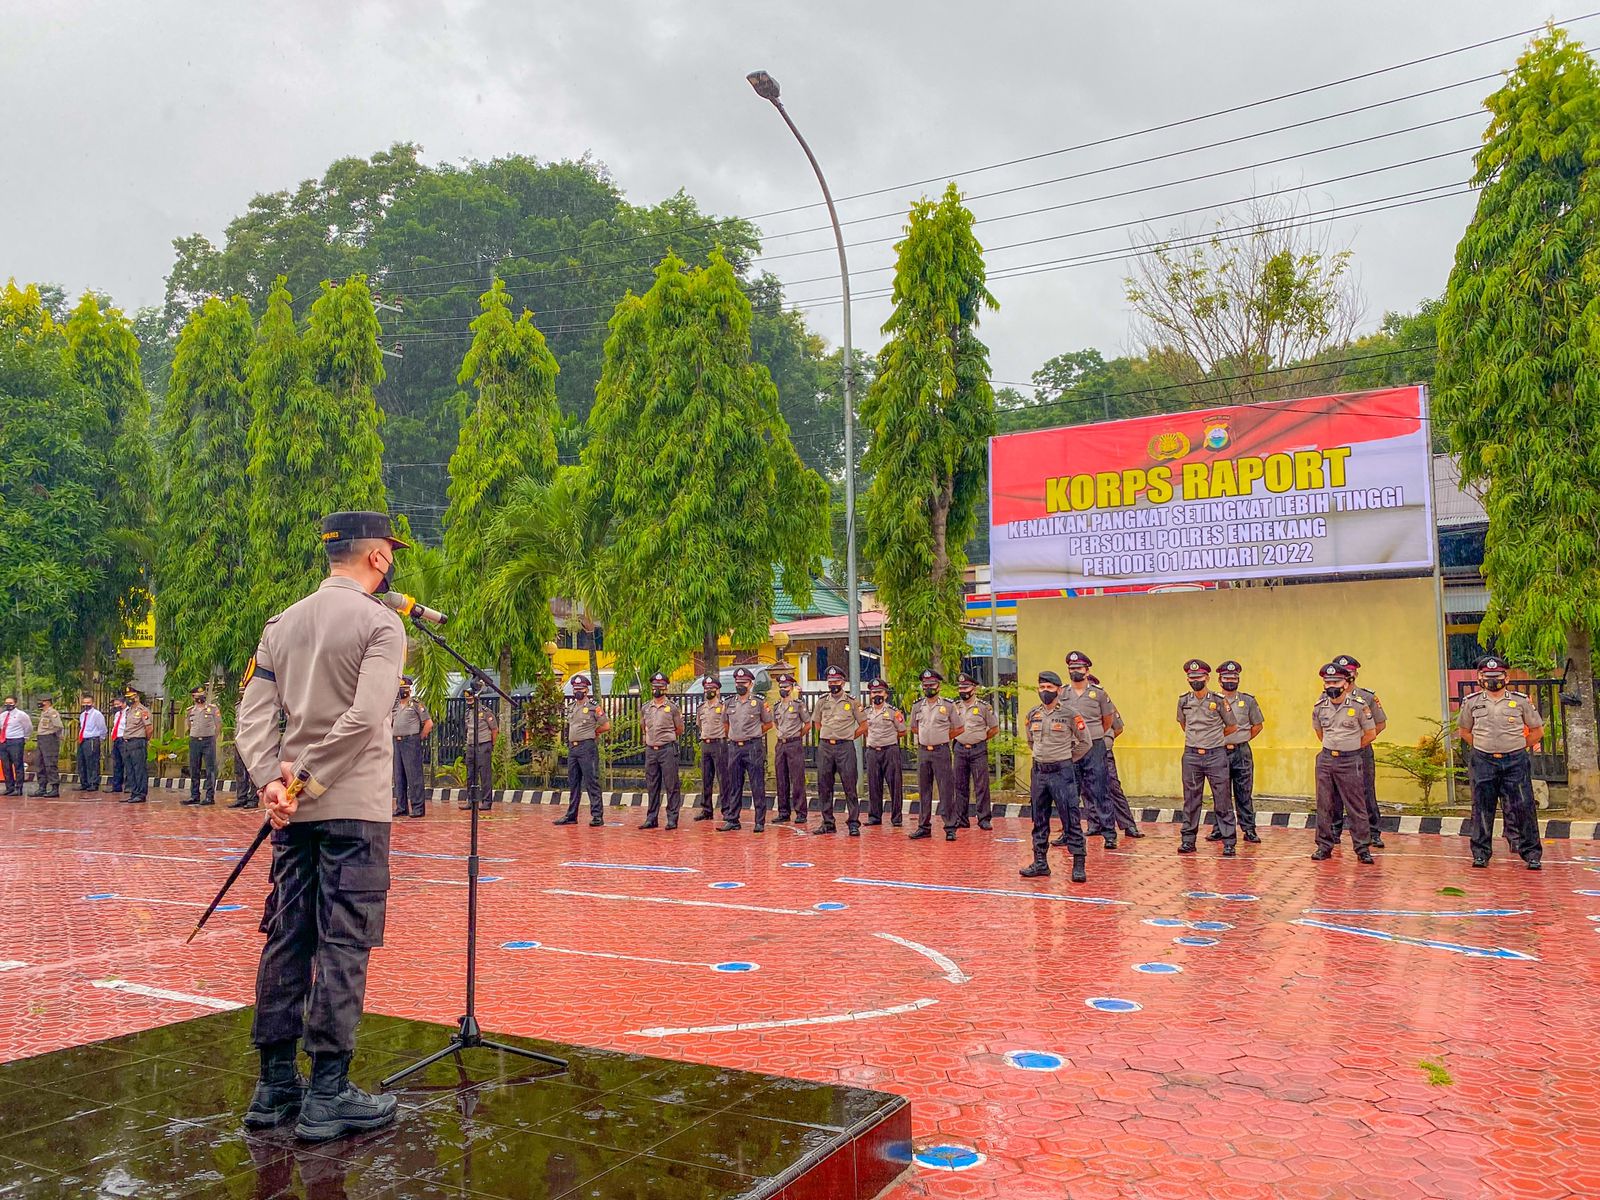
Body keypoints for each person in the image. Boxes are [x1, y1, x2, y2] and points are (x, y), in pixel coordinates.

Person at [235, 509, 409, 1142]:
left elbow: (252, 717)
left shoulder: (280, 625)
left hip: (294, 810)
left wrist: (273, 783)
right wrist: (304, 781)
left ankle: (275, 1085)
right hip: (353, 807)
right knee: (344, 940)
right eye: (393, 550)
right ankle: (329, 1092)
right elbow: (365, 720)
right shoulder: (381, 624)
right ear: (379, 558)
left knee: (287, 935)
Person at [1458, 654, 1544, 870]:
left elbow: (1537, 731)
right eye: (1488, 676)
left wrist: (1515, 746)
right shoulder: (1472, 702)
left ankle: (1531, 854)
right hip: (1484, 760)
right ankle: (1480, 853)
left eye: (1497, 676)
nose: (1492, 680)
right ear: (1480, 677)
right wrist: (1483, 746)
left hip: (1515, 761)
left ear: (1506, 678)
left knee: (1523, 806)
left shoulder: (1521, 701)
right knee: (1482, 807)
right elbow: (1464, 731)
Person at [1020, 670, 1092, 881]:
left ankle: (1078, 863)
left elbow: (1085, 742)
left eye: (1049, 688)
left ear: (1059, 690)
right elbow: (1031, 742)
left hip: (1062, 773)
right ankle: (1040, 862)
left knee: (1070, 818)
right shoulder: (1032, 714)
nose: (1045, 692)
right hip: (1040, 773)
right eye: (1042, 688)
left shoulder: (1070, 714)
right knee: (1039, 818)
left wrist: (1067, 759)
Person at [1311, 662, 1376, 864]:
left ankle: (1362, 848)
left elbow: (1370, 734)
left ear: (1346, 683)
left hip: (1351, 760)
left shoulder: (1359, 706)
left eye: (1336, 681)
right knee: (1324, 804)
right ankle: (1324, 846)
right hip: (1327, 759)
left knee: (1356, 805)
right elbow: (1320, 733)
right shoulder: (1319, 707)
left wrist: (1352, 747)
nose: (1331, 685)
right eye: (1327, 682)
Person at [1176, 659, 1238, 855]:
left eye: (1199, 677)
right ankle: (1188, 840)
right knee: (1191, 800)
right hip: (1192, 755)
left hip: (1215, 755)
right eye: (1192, 677)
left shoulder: (1219, 700)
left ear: (1207, 678)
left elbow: (1232, 726)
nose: (1195, 680)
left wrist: (1213, 739)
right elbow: (1183, 724)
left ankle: (1228, 841)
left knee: (1222, 799)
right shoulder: (1184, 700)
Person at [1061, 651, 1118, 849]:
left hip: (1094, 746)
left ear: (1087, 670)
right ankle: (1069, 832)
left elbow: (1108, 720)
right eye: (1071, 668)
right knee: (1069, 792)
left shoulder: (1099, 693)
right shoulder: (1062, 694)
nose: (1074, 671)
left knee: (1100, 789)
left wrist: (1093, 736)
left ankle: (1109, 833)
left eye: (1078, 668)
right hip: (1071, 748)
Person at [1330, 653, 1387, 848]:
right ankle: (1334, 831)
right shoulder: (1327, 697)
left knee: (1366, 791)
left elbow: (1380, 724)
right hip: (1336, 754)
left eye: (1350, 671)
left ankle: (1373, 832)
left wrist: (1358, 743)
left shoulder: (1367, 697)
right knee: (1334, 793)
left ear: (1355, 673)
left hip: (1361, 752)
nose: (1347, 674)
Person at [1080, 675, 1143, 840]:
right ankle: (1094, 824)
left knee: (1112, 787)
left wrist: (1105, 739)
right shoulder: (1074, 705)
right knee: (1086, 789)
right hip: (1082, 752)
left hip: (1102, 752)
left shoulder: (1105, 705)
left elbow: (1118, 727)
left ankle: (1128, 825)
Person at [1209, 660, 1265, 844]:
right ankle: (1219, 828)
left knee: (1243, 792)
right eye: (1226, 678)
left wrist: (1242, 739)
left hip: (1241, 752)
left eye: (1234, 677)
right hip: (1218, 751)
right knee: (1220, 793)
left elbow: (1257, 726)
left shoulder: (1247, 701)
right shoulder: (1213, 701)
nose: (1230, 681)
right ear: (1219, 680)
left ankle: (1249, 829)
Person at [909, 668, 964, 842]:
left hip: (941, 751)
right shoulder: (917, 706)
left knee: (946, 790)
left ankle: (949, 827)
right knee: (924, 790)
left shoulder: (948, 706)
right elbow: (913, 727)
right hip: (924, 751)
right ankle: (923, 826)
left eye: (931, 685)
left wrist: (943, 738)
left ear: (938, 686)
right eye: (925, 685)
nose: (928, 688)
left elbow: (959, 728)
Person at [812, 665, 865, 835]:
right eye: (830, 681)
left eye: (836, 681)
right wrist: (828, 735)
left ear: (843, 682)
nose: (833, 684)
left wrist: (849, 735)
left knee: (849, 785)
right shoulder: (822, 701)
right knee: (824, 785)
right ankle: (828, 822)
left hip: (845, 747)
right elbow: (817, 723)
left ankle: (853, 823)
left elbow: (864, 725)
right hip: (826, 747)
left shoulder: (852, 701)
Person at [719, 666, 773, 832]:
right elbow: (725, 724)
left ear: (750, 684)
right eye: (737, 682)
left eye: (743, 682)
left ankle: (759, 821)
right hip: (735, 747)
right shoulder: (728, 703)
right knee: (734, 784)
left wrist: (754, 734)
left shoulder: (759, 702)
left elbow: (768, 723)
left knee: (757, 784)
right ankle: (732, 819)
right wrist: (735, 736)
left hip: (753, 747)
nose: (740, 685)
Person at [555, 674, 609, 827]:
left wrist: (595, 732)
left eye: (580, 689)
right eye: (575, 688)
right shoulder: (571, 707)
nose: (577, 691)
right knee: (573, 783)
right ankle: (571, 815)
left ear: (586, 690)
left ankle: (597, 816)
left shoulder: (593, 707)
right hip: (573, 748)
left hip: (587, 748)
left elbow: (606, 725)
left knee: (591, 781)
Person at [952, 673, 999, 831]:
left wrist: (980, 738)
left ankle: (984, 818)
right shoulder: (954, 706)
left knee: (981, 786)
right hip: (959, 748)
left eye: (966, 687)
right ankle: (961, 818)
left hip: (978, 749)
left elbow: (994, 729)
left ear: (974, 689)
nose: (963, 690)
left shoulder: (984, 707)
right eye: (960, 688)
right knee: (959, 785)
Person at [640, 672, 685, 830]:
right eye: (654, 687)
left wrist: (667, 738)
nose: (656, 689)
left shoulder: (672, 708)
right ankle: (651, 818)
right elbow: (643, 726)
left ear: (665, 688)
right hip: (651, 750)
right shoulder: (646, 707)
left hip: (667, 750)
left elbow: (679, 728)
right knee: (652, 785)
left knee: (671, 785)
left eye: (660, 687)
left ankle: (672, 818)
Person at [769, 672, 811, 825]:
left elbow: (808, 724)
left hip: (794, 744)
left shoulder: (798, 705)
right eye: (781, 686)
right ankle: (783, 812)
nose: (783, 689)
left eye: (786, 686)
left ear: (792, 687)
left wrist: (797, 735)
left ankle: (801, 812)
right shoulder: (777, 707)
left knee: (797, 779)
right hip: (781, 744)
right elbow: (775, 723)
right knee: (781, 779)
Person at [864, 678, 906, 827]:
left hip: (890, 751)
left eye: (879, 692)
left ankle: (896, 818)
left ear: (886, 694)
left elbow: (902, 731)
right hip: (872, 751)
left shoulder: (893, 712)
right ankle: (874, 816)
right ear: (870, 694)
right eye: (874, 692)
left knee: (894, 785)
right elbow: (864, 730)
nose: (877, 695)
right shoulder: (866, 712)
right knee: (873, 785)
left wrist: (889, 739)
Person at [390, 677, 433, 818]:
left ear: (409, 689)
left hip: (411, 741)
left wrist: (418, 737)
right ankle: (401, 807)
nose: (402, 691)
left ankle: (418, 808)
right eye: (400, 688)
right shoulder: (395, 706)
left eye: (405, 688)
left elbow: (428, 723)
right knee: (398, 776)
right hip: (397, 742)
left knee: (414, 776)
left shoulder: (415, 704)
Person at [693, 675, 728, 822]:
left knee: (723, 778)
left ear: (718, 690)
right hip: (705, 743)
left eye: (712, 688)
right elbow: (699, 725)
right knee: (706, 778)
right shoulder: (701, 708)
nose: (709, 691)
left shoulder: (723, 707)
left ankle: (727, 810)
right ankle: (706, 809)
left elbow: (727, 726)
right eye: (706, 689)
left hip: (719, 744)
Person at [182, 686, 222, 807]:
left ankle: (210, 796)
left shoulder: (213, 709)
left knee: (210, 769)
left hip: (208, 741)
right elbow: (189, 725)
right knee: (194, 769)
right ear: (193, 697)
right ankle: (194, 795)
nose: (200, 698)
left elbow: (218, 724)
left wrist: (213, 737)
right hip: (194, 741)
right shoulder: (190, 710)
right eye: (197, 696)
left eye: (202, 695)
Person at [461, 686, 498, 812]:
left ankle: (487, 801)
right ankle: (471, 800)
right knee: (470, 775)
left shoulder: (485, 711)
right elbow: (467, 729)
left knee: (485, 775)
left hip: (483, 744)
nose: (469, 701)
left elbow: (494, 730)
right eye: (467, 700)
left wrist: (491, 745)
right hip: (471, 746)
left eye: (471, 699)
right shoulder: (468, 712)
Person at [121, 689, 152, 804]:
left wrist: (144, 740)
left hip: (138, 742)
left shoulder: (143, 711)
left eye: (131, 696)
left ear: (137, 697)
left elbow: (149, 728)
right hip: (127, 742)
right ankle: (134, 793)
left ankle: (140, 794)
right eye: (127, 696)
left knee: (139, 769)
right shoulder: (129, 711)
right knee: (130, 770)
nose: (129, 699)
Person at [0, 697, 32, 795]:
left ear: (15, 703)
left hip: (16, 741)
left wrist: (24, 737)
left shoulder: (21, 715)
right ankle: (9, 787)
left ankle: (18, 788)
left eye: (10, 703)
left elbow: (28, 727)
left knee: (17, 765)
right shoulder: (3, 715)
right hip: (4, 741)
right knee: (6, 765)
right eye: (6, 703)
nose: (8, 705)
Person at [32, 696, 63, 797]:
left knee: (50, 763)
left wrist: (52, 735)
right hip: (41, 739)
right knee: (39, 763)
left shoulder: (52, 712)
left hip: (49, 739)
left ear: (48, 702)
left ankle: (54, 788)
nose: (40, 703)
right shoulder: (43, 713)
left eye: (42, 701)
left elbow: (58, 726)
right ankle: (42, 787)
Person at [76, 695, 106, 793]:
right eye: (84, 703)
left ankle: (93, 783)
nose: (86, 705)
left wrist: (100, 739)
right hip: (83, 740)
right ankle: (84, 783)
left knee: (92, 762)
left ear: (93, 703)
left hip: (92, 739)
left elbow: (102, 728)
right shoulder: (82, 715)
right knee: (82, 762)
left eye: (88, 703)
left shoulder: (97, 714)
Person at [107, 696, 127, 794]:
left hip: (124, 739)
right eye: (114, 705)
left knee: (127, 763)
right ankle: (116, 786)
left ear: (123, 703)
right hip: (116, 739)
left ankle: (129, 786)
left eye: (118, 704)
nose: (116, 706)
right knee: (116, 763)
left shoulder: (128, 713)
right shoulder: (117, 714)